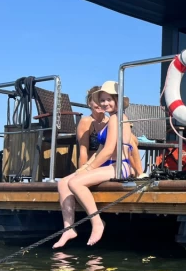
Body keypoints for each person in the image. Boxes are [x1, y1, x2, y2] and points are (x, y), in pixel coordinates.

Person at [53, 81, 137, 248]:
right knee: (63, 183)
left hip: (119, 166)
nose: (105, 103)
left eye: (109, 99)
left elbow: (108, 150)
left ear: (118, 100)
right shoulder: (109, 120)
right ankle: (68, 228)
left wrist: (89, 169)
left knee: (75, 183)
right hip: (106, 165)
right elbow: (99, 152)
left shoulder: (117, 119)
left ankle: (97, 223)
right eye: (103, 100)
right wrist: (84, 168)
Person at [76, 86, 107, 168]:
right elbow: (83, 151)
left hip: (107, 165)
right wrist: (81, 173)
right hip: (90, 166)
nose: (100, 104)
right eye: (97, 101)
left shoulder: (111, 121)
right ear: (89, 103)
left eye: (103, 100)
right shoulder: (86, 121)